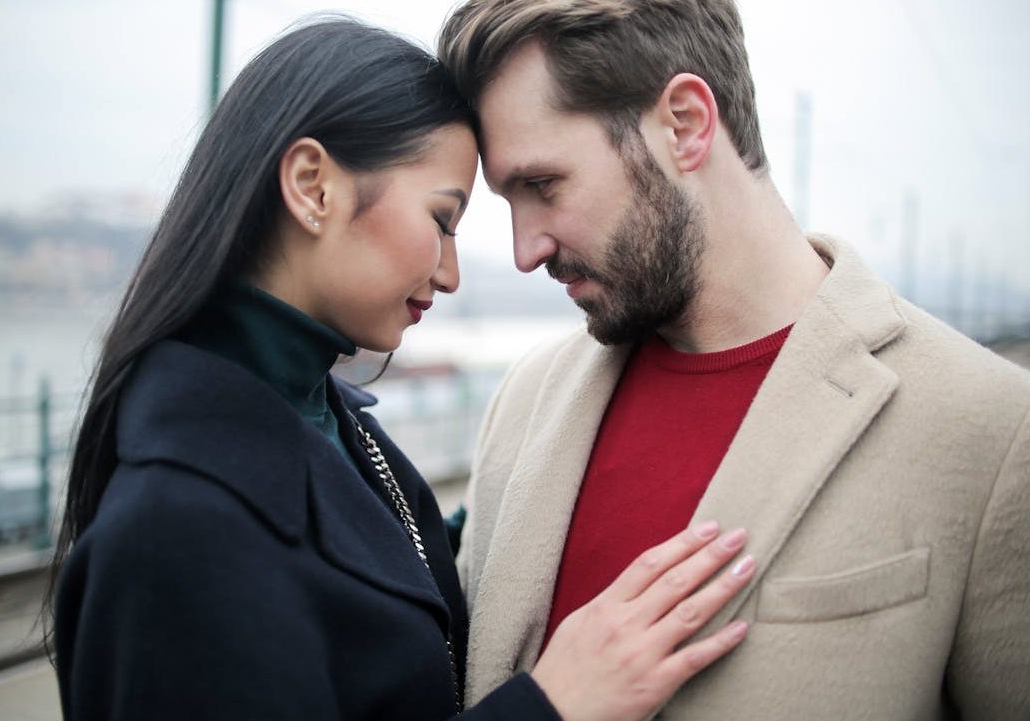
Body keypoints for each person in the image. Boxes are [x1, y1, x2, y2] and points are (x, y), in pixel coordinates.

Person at [47, 18, 757, 721]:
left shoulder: (322, 423)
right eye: (443, 220)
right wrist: (553, 705)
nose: (450, 273)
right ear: (312, 187)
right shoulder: (169, 531)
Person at [436, 1, 1030, 719]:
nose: (525, 250)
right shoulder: (524, 401)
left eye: (542, 187)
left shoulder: (999, 436)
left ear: (685, 124)